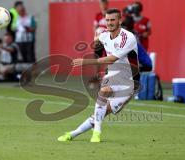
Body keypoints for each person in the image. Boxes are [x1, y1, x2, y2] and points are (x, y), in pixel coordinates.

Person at [58, 8, 138, 143]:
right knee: (103, 91)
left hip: (129, 81)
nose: (110, 23)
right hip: (113, 75)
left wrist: (86, 61)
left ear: (120, 20)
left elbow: (111, 59)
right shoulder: (105, 34)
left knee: (101, 113)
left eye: (113, 20)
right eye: (107, 20)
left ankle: (73, 133)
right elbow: (97, 41)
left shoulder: (127, 37)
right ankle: (96, 131)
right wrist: (96, 38)